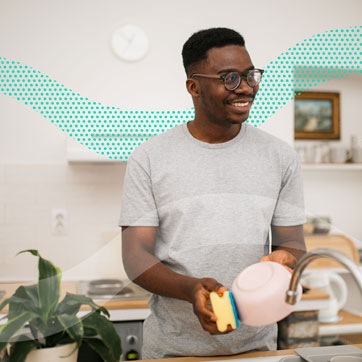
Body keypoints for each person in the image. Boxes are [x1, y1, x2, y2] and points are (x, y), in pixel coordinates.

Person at [119, 27, 307, 359]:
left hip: (256, 348)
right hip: (173, 350)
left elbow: (292, 243)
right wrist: (190, 289)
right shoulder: (149, 158)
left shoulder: (280, 157)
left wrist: (286, 260)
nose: (246, 88)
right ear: (194, 86)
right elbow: (136, 258)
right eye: (230, 78)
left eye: (251, 75)